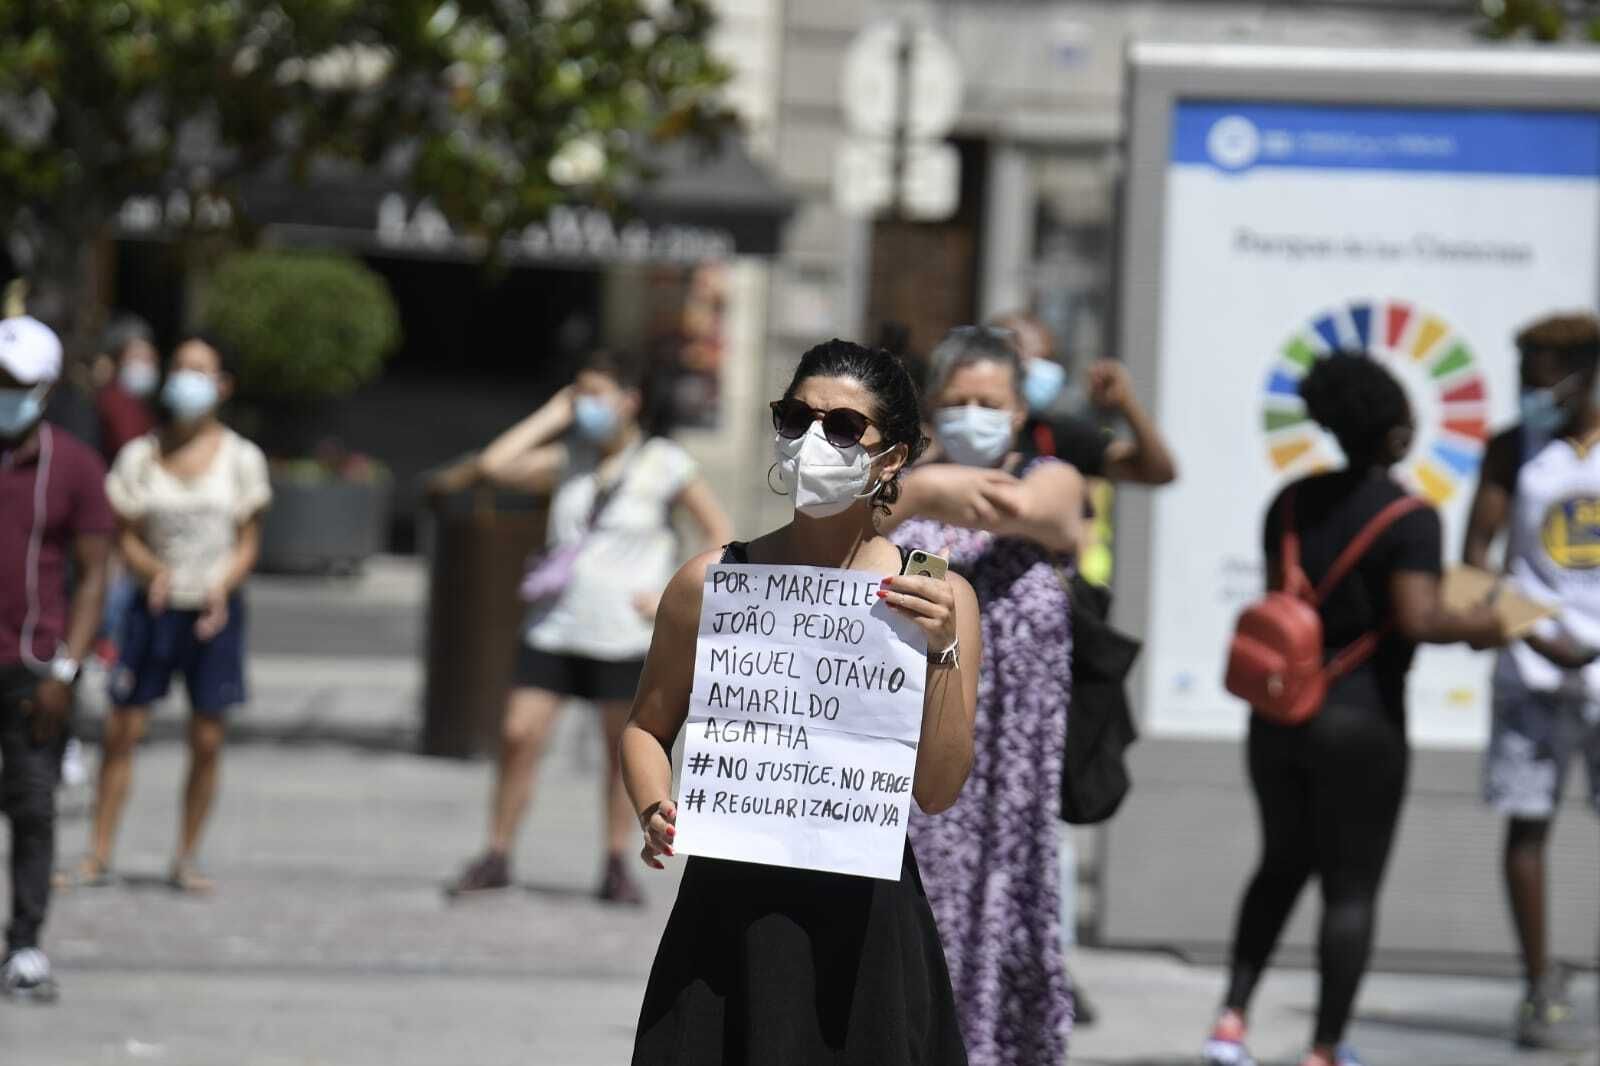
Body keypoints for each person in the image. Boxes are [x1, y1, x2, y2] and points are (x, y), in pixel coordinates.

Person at [624, 338, 981, 1065]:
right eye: (796, 418)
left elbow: (939, 789)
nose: (814, 442)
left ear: (894, 458)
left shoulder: (936, 596)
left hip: (868, 922)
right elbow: (646, 726)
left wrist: (941, 648)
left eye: (845, 428)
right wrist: (655, 806)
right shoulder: (713, 581)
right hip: (729, 912)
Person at [1202, 353, 1505, 1066]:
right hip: (1364, 720)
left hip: (1278, 718)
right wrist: (1492, 623)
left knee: (1278, 864)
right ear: (1395, 432)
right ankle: (1325, 1050)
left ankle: (1230, 1024)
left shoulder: (1289, 501)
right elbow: (1419, 618)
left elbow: (1286, 607)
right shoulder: (1412, 516)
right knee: (1351, 889)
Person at [448, 348, 731, 903]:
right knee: (518, 735)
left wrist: (672, 596)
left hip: (624, 637)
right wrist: (553, 415)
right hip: (555, 627)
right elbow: (493, 465)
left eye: (595, 394)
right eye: (578, 394)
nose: (585, 406)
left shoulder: (665, 462)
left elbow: (719, 534)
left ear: (631, 401)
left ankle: (615, 862)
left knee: (618, 753)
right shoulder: (568, 457)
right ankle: (498, 852)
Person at [881, 326, 1084, 1065]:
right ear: (933, 406)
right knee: (922, 895)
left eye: (989, 401)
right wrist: (925, 486)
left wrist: (922, 494)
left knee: (1003, 901)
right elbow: (837, 534)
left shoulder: (1050, 474)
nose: (974, 413)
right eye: (959, 399)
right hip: (916, 735)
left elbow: (1046, 513)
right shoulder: (900, 483)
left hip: (1011, 749)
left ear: (1020, 412)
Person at [82, 333, 272, 892]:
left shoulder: (241, 458)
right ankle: (98, 853)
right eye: (179, 367)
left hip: (214, 611)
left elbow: (249, 541)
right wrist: (151, 573)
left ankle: (186, 856)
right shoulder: (141, 456)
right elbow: (127, 535)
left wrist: (221, 586)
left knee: (208, 737)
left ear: (223, 385)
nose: (185, 378)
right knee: (123, 728)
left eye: (200, 369)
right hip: (153, 606)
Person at [1463, 312, 1600, 1051]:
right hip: (1533, 672)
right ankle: (1537, 984)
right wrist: (1541, 632)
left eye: (1545, 375)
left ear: (1585, 372)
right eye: (1524, 375)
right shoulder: (1512, 449)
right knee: (1528, 824)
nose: (1532, 390)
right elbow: (1473, 561)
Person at [0, 315, 113, 1001]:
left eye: (15, 385)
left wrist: (67, 670)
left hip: (33, 666)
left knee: (33, 808)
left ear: (42, 389)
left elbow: (95, 575)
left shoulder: (73, 464)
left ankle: (25, 946)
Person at [988, 310, 1176, 485]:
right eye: (1026, 355)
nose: (1036, 368)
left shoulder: (1051, 435)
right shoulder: (969, 424)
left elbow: (1158, 472)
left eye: (1044, 358)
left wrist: (1126, 404)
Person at [92, 315, 159, 468]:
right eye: (137, 357)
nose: (145, 365)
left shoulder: (139, 403)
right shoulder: (114, 402)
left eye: (149, 359)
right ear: (119, 361)